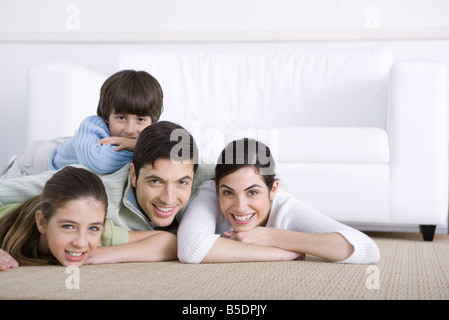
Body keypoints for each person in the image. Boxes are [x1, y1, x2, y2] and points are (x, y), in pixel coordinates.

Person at [0, 121, 212, 269]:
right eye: (155, 181)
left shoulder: (202, 177)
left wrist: (102, 255)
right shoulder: (90, 193)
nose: (168, 198)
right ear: (134, 175)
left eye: (182, 182)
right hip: (32, 162)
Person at [177, 138, 380, 264]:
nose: (239, 207)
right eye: (228, 193)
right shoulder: (210, 192)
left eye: (253, 193)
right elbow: (190, 248)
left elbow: (367, 249)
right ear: (216, 187)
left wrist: (272, 237)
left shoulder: (285, 207)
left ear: (273, 189)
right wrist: (281, 254)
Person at [0, 166, 176, 271]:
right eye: (68, 226)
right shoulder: (8, 221)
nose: (81, 243)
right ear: (42, 222)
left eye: (93, 228)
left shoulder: (102, 235)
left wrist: (107, 254)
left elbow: (169, 242)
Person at [1, 69, 163, 179]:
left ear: (153, 120)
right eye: (121, 118)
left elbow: (177, 145)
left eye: (140, 120)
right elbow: (99, 162)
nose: (129, 129)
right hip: (34, 163)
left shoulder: (154, 131)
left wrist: (135, 144)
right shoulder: (92, 125)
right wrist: (144, 149)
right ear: (107, 115)